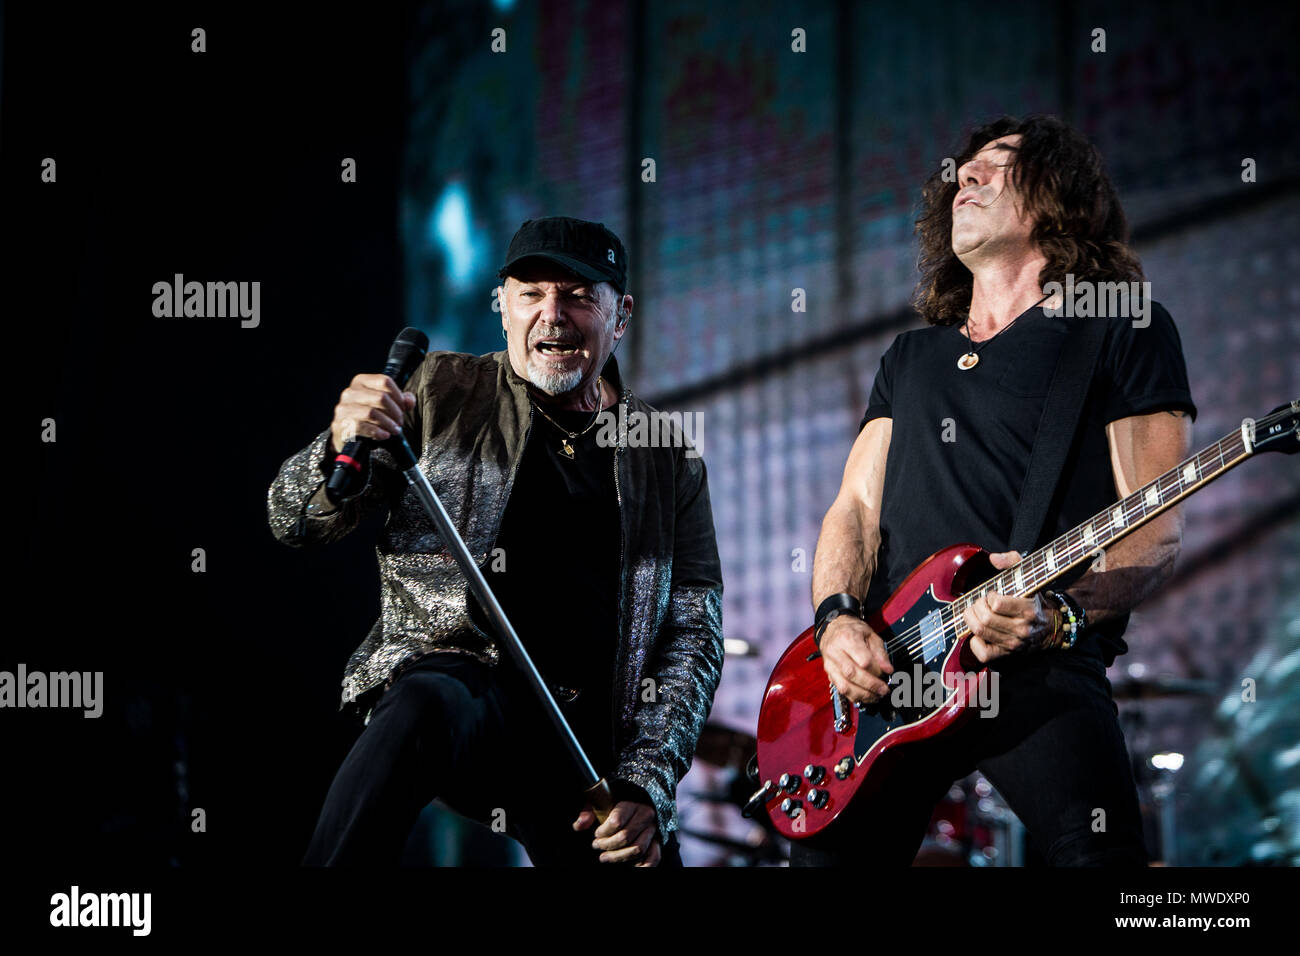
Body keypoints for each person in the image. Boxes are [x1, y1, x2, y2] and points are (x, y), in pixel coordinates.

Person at [799, 115, 1196, 866]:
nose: (965, 177)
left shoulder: (1121, 329)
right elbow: (853, 509)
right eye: (961, 170)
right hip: (895, 672)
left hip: (1037, 660)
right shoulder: (911, 359)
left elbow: (1154, 531)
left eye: (997, 165)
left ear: (1059, 199)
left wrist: (1057, 615)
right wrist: (835, 621)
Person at [268, 217, 724, 866]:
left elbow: (693, 631)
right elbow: (292, 520)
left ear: (620, 315)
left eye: (576, 295)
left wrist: (646, 783)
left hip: (588, 744)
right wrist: (337, 449)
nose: (552, 315)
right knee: (423, 703)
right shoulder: (439, 391)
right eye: (531, 294)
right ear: (501, 305)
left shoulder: (666, 455)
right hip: (469, 693)